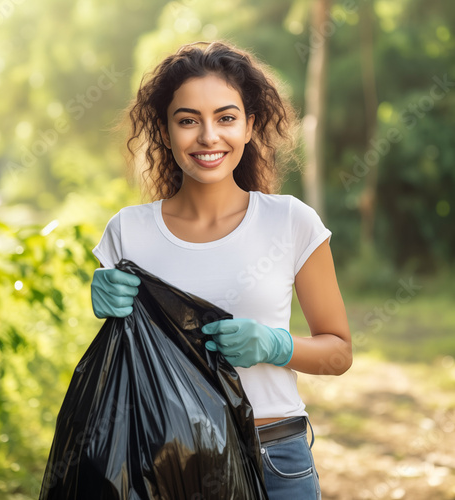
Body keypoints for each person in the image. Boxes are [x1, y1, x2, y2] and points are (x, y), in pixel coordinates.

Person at [91, 40, 352, 500]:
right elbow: (127, 364)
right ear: (165, 131)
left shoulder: (290, 221)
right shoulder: (127, 232)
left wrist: (276, 345)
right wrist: (101, 304)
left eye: (226, 118)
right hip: (162, 462)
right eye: (188, 120)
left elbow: (339, 354)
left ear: (250, 126)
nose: (208, 136)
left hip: (274, 459)